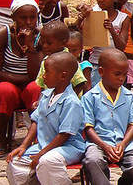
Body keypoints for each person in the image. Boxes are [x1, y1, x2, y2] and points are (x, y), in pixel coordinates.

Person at [6, 52, 85, 185]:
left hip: (68, 147)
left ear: (63, 76)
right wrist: (24, 146)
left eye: (47, 72)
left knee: (47, 161)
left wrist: (42, 153)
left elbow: (64, 135)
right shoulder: (46, 95)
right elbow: (36, 121)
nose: (43, 76)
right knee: (15, 160)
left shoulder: (72, 102)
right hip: (45, 145)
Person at [0, 0, 42, 158]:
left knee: (36, 88)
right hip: (8, 84)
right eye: (23, 17)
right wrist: (23, 80)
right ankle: (2, 140)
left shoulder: (42, 36)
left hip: (28, 84)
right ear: (13, 18)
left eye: (32, 17)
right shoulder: (2, 35)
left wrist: (31, 46)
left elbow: (36, 75)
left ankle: (37, 138)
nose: (28, 22)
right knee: (3, 90)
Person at [81, 49, 133, 185]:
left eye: (125, 74)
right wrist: (105, 146)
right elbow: (88, 127)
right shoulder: (90, 97)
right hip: (98, 144)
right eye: (117, 74)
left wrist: (123, 144)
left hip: (124, 144)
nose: (121, 78)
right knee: (93, 160)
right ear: (101, 72)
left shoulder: (129, 96)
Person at [76, 0, 130, 87]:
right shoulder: (93, 14)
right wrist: (81, 18)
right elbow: (80, 37)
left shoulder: (123, 18)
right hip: (96, 62)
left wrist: (111, 30)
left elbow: (121, 47)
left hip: (114, 64)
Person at [35, 21, 88, 96]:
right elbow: (42, 86)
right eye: (43, 42)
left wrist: (65, 100)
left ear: (63, 43)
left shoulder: (69, 60)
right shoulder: (45, 60)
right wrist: (41, 101)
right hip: (50, 102)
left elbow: (80, 83)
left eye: (49, 43)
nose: (44, 46)